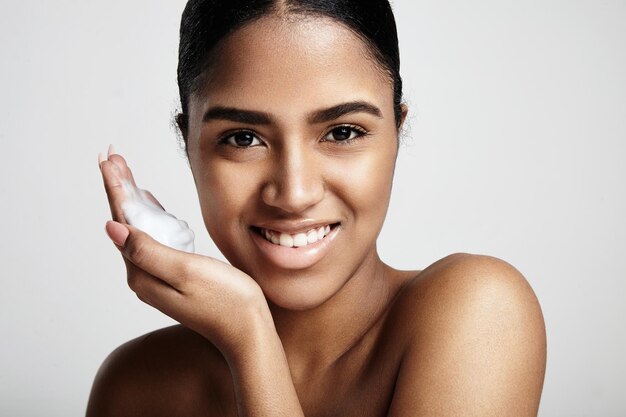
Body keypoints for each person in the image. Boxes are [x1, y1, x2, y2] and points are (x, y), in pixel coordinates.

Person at [87, 0, 547, 415]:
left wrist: (251, 337)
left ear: (396, 133)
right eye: (243, 138)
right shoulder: (134, 389)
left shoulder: (481, 314)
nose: (294, 193)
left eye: (343, 132)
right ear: (188, 145)